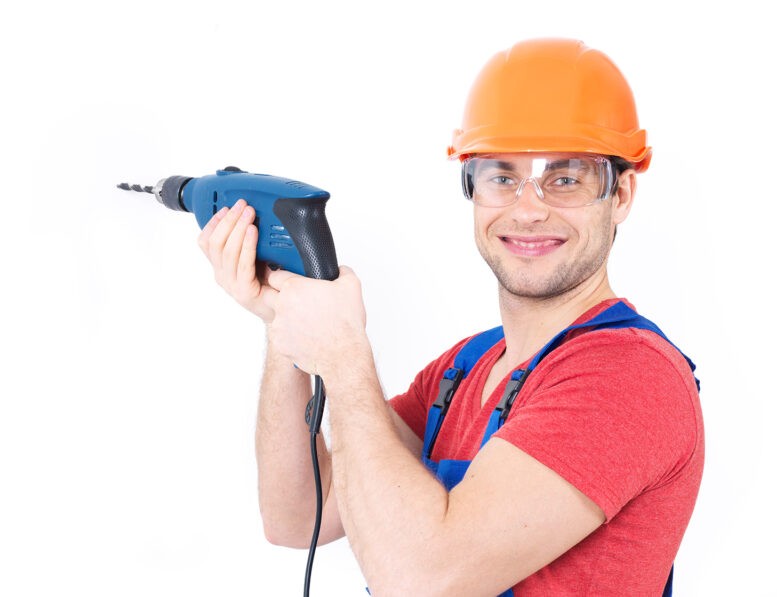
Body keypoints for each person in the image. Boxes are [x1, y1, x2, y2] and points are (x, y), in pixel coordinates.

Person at [197, 38, 704, 596]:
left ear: (622, 193)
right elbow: (296, 517)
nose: (528, 208)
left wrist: (343, 359)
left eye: (566, 178)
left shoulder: (628, 376)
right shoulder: (462, 369)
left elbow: (422, 581)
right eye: (501, 176)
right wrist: (285, 319)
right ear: (471, 186)